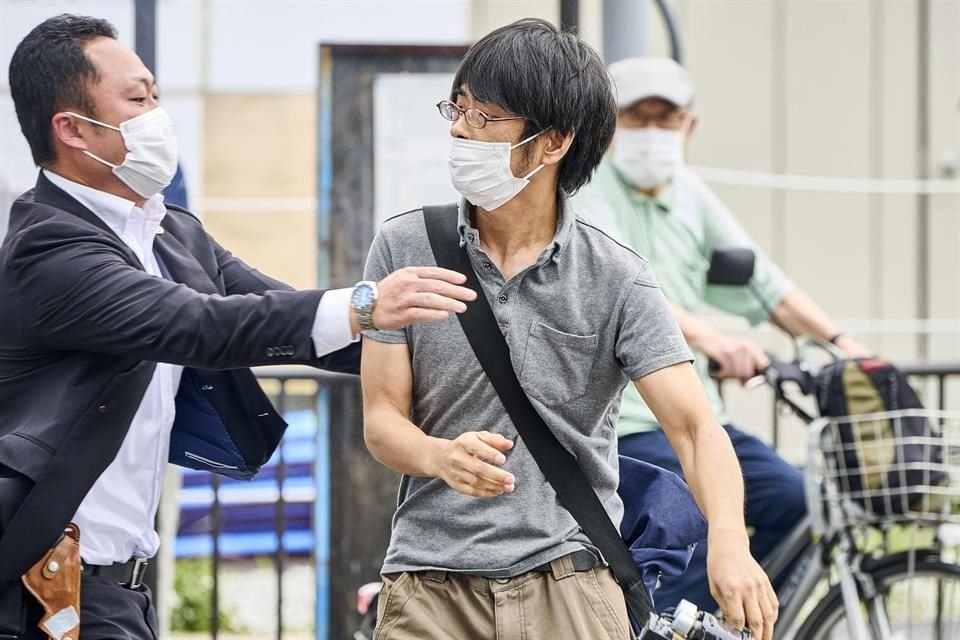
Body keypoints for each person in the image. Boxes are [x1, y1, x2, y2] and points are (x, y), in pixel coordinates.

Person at [0, 14, 476, 639]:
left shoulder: (172, 232)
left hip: (117, 590)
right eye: (138, 100)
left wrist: (463, 357)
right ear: (73, 130)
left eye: (157, 97)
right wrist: (364, 303)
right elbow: (200, 325)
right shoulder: (50, 247)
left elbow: (288, 317)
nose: (156, 116)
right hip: (41, 588)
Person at [360, 19, 778, 640]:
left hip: (572, 581)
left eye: (484, 117)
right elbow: (381, 417)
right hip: (428, 584)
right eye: (458, 107)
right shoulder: (404, 247)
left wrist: (729, 543)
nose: (458, 128)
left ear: (552, 142)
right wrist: (439, 456)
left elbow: (693, 428)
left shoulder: (617, 276)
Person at [573, 56, 873, 613]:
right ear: (610, 124)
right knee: (698, 525)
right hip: (627, 424)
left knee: (801, 501)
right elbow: (632, 289)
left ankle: (740, 624)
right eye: (639, 118)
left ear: (690, 127)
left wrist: (846, 346)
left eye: (668, 119)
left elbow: (768, 285)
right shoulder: (584, 194)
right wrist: (711, 340)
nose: (654, 133)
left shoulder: (690, 195)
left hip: (700, 415)